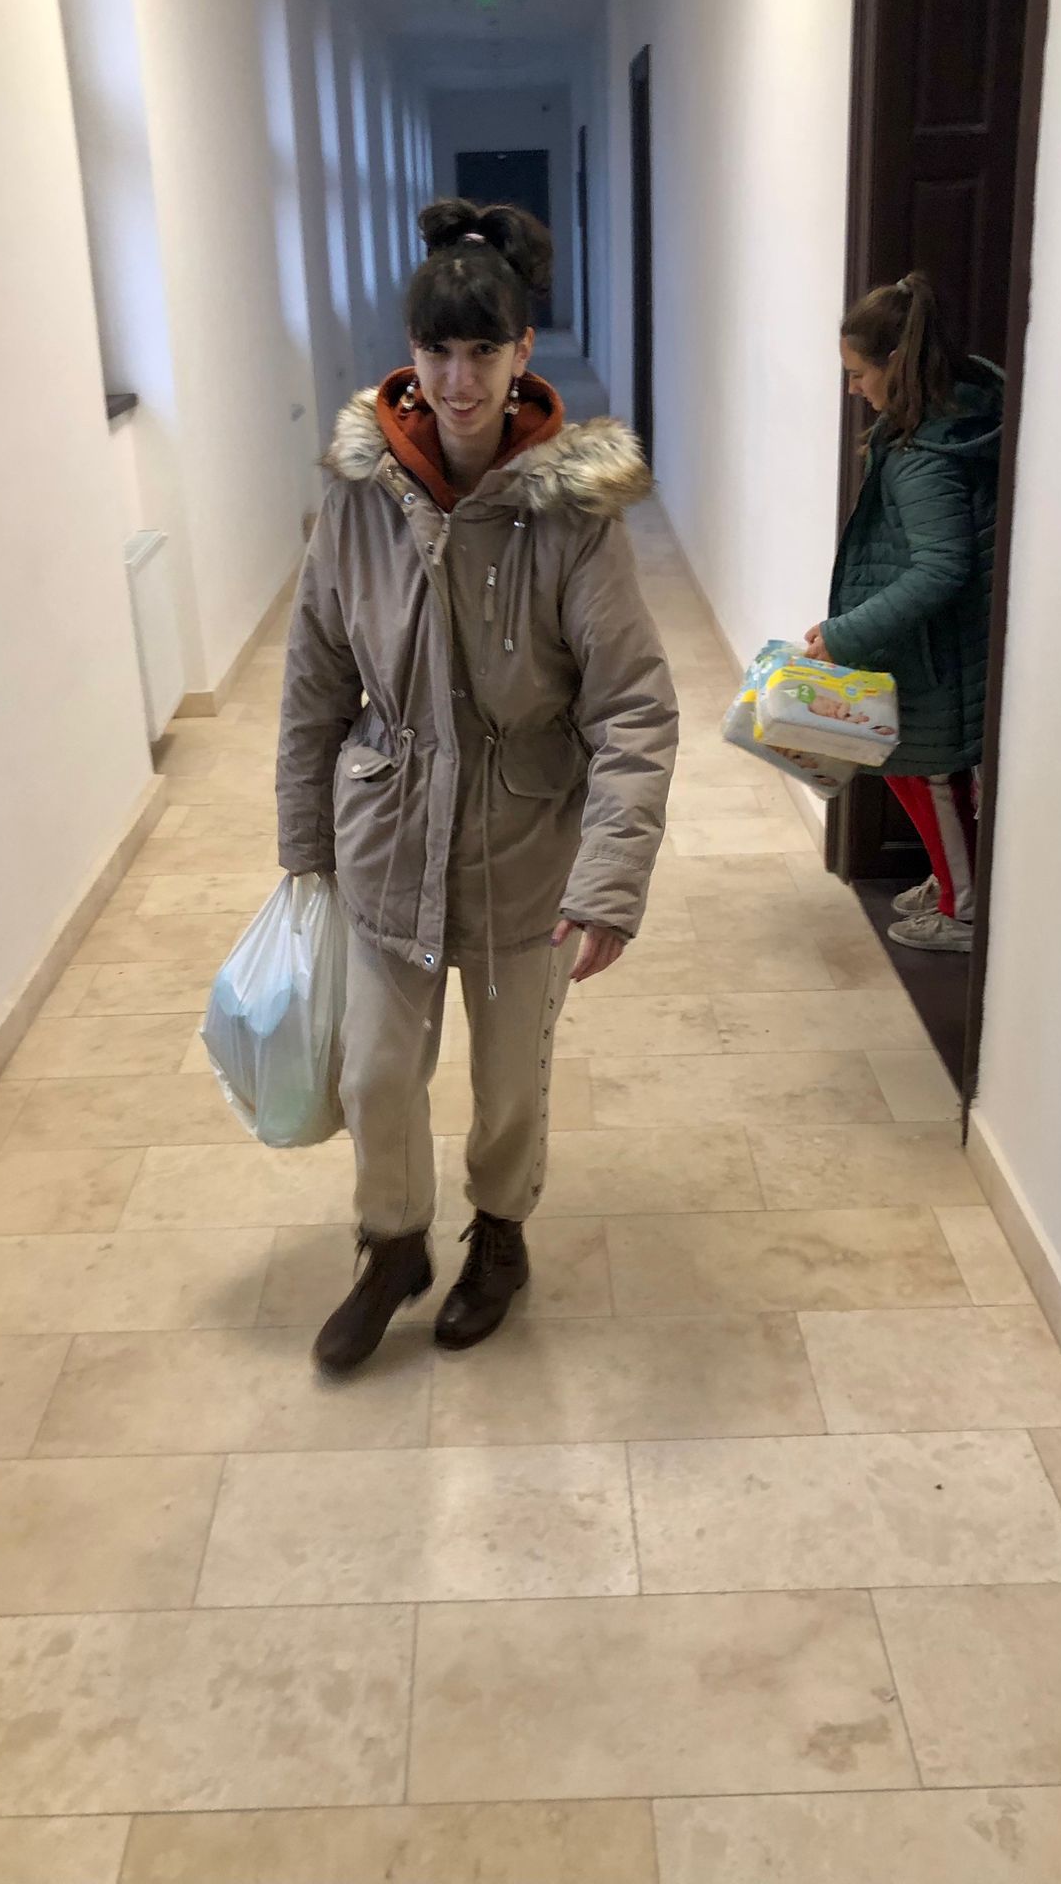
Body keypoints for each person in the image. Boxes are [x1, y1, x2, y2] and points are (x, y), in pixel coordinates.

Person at [278, 198, 678, 1373]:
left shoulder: (572, 518)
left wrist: (609, 880)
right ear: (410, 354)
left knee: (509, 1087)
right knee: (375, 1069)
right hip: (389, 832)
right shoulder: (358, 502)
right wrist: (304, 851)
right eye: (437, 351)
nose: (458, 381)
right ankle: (392, 1244)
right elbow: (313, 683)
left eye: (483, 351)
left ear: (522, 352)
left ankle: (499, 1236)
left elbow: (633, 707)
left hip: (524, 844)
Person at [806, 271, 1003, 953]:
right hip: (931, 644)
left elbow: (940, 568)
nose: (852, 389)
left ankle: (963, 908)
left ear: (895, 364)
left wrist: (845, 635)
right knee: (916, 767)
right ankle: (951, 881)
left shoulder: (924, 456)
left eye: (858, 374)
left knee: (932, 773)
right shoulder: (940, 423)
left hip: (936, 651)